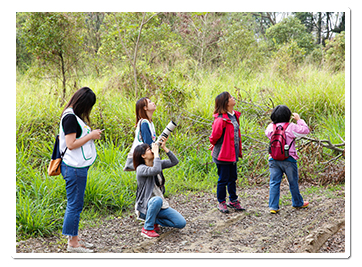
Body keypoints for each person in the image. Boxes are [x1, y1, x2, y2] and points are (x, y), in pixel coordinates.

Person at [59, 87, 103, 252]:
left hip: (76, 167)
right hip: (73, 168)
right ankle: (73, 244)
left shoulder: (72, 115)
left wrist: (89, 134)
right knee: (75, 205)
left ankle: (74, 238)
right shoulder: (70, 118)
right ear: (84, 104)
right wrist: (91, 136)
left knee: (75, 203)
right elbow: (71, 145)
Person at [133, 137, 186, 238]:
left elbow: (175, 161)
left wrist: (165, 148)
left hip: (160, 205)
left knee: (180, 223)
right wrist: (156, 154)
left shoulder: (157, 163)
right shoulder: (141, 169)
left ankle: (153, 220)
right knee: (156, 200)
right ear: (143, 155)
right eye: (149, 149)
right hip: (145, 207)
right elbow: (155, 170)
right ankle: (147, 228)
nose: (152, 150)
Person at [265, 105, 310, 214]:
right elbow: (305, 131)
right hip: (289, 159)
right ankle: (297, 203)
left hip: (273, 158)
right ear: (288, 116)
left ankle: (273, 206)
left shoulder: (271, 127)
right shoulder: (291, 127)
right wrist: (299, 120)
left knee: (274, 182)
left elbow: (267, 134)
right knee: (293, 182)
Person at [209, 91, 245, 213]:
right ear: (226, 102)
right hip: (223, 155)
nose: (233, 98)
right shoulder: (221, 120)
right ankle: (221, 202)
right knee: (223, 179)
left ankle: (233, 200)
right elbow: (214, 137)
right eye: (230, 97)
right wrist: (213, 144)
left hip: (232, 154)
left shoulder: (234, 116)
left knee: (232, 177)